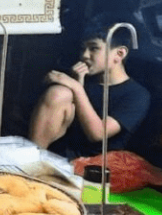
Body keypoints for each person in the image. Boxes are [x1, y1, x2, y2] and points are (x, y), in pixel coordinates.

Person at [28, 17, 150, 159]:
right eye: (83, 49)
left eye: (94, 48)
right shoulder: (83, 80)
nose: (84, 55)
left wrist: (76, 87)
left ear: (119, 54)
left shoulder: (137, 95)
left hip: (97, 167)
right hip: (60, 157)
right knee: (59, 93)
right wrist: (76, 84)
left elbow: (97, 134)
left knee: (63, 91)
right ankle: (30, 161)